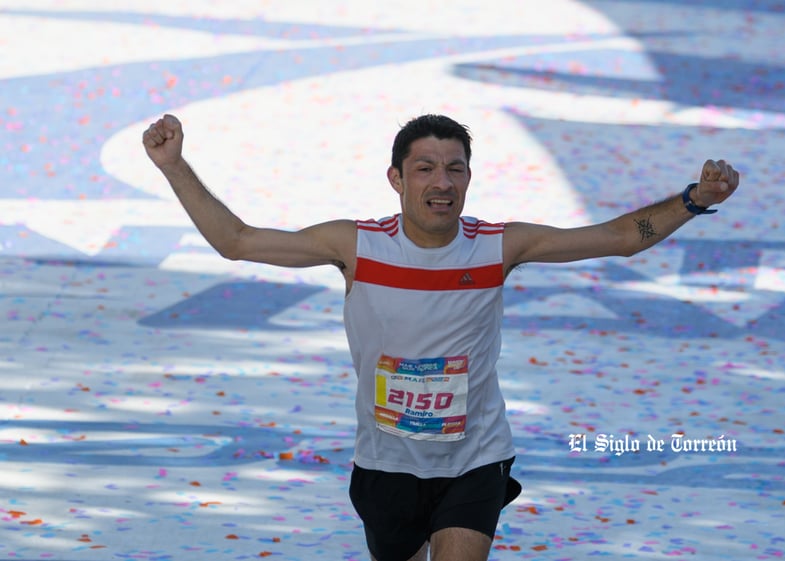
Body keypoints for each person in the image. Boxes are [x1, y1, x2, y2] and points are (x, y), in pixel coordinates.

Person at [143, 113, 739, 561]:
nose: (442, 181)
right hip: (386, 466)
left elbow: (617, 237)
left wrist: (695, 200)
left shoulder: (498, 246)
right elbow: (238, 241)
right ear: (396, 178)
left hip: (473, 458)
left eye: (455, 168)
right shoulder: (354, 246)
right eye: (425, 167)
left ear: (469, 179)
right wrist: (174, 166)